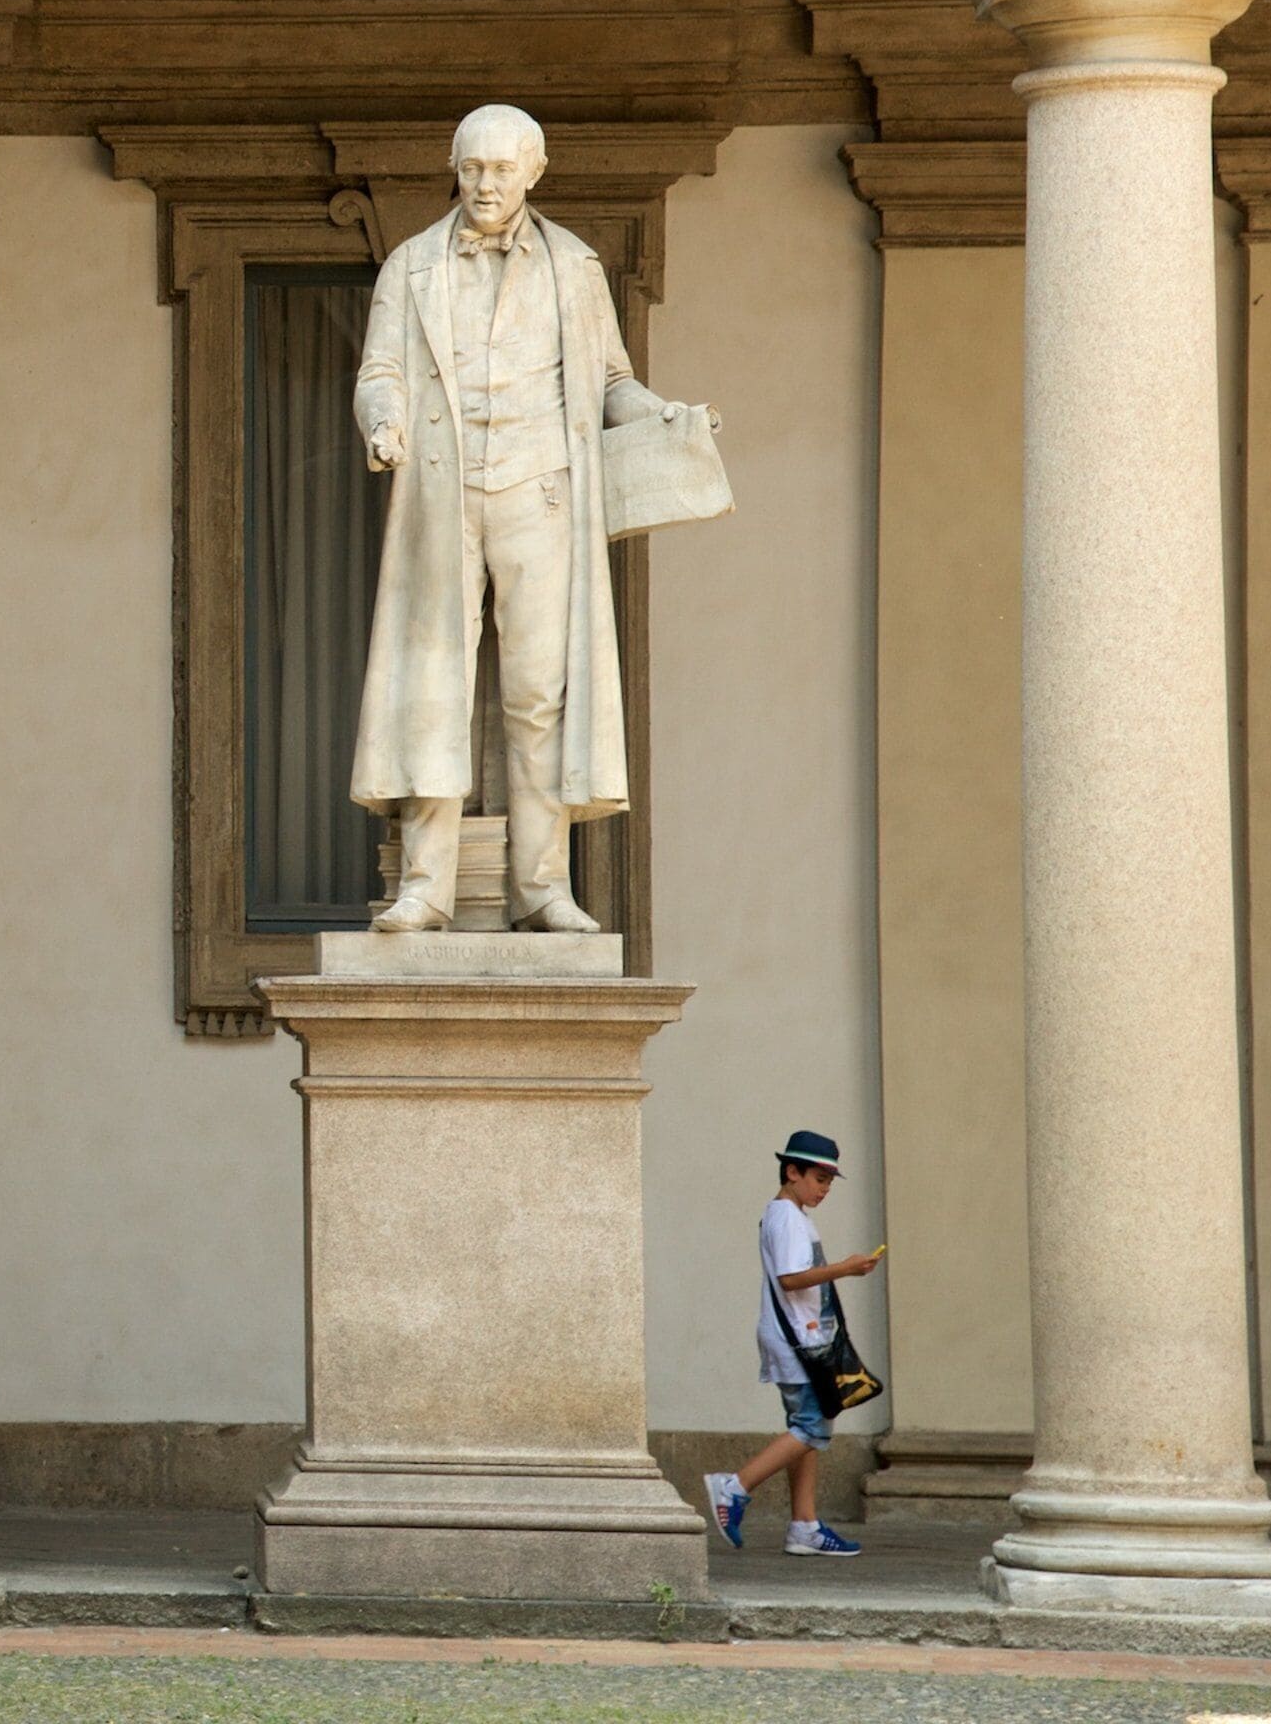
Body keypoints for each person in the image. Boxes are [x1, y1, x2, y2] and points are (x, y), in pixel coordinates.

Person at [349, 105, 702, 933]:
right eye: (472, 169)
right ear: (454, 167)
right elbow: (381, 370)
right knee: (433, 690)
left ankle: (541, 888)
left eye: (502, 170)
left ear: (534, 172)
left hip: (539, 496)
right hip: (440, 497)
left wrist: (663, 419)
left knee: (538, 695)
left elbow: (611, 380)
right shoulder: (411, 267)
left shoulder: (574, 269)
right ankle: (427, 887)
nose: (484, 185)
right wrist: (381, 421)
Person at [706, 1129, 886, 1556]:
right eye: (819, 1178)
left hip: (802, 1337)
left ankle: (804, 1526)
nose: (824, 1189)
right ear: (792, 1171)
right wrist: (845, 1268)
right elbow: (790, 1279)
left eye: (828, 1181)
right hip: (798, 1341)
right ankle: (733, 1486)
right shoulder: (787, 1216)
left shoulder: (792, 1215)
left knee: (806, 1426)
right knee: (812, 1428)